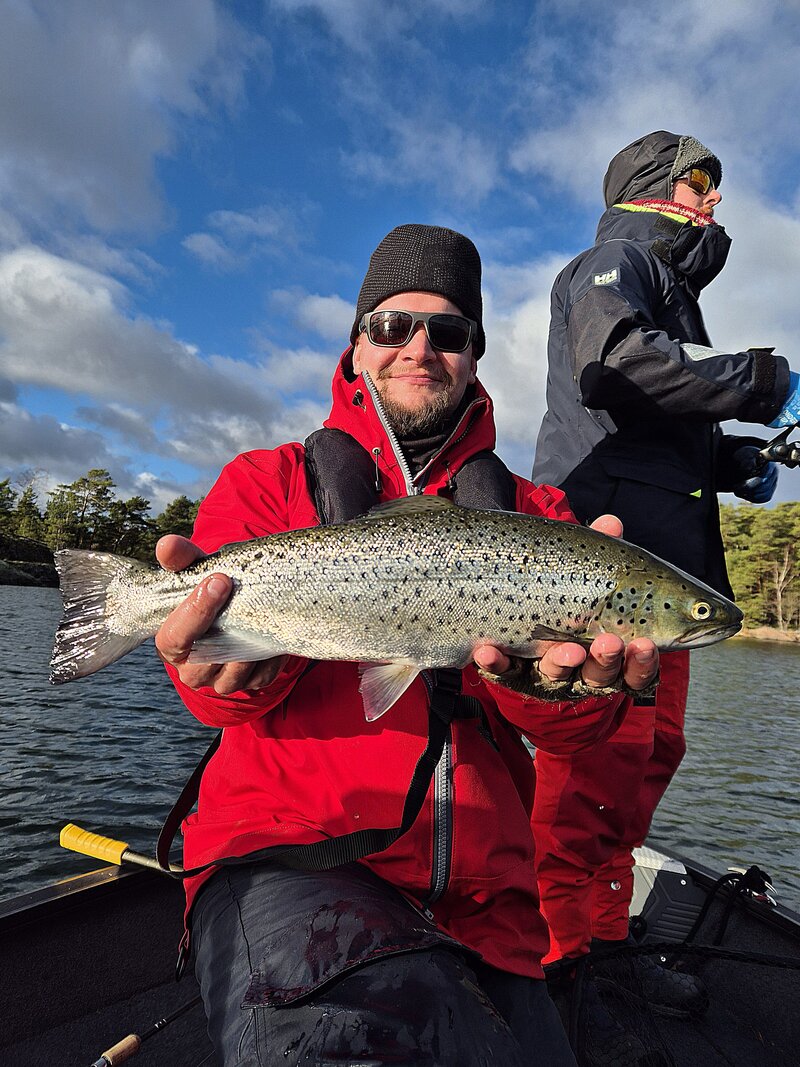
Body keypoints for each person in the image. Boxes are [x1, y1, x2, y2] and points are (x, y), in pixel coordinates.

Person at [153, 224, 660, 1067]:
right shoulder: (263, 482)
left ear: (474, 356)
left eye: (450, 331)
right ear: (355, 349)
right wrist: (219, 675)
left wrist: (572, 693)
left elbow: (569, 738)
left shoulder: (542, 519)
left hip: (492, 908)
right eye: (391, 326)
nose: (419, 347)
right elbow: (211, 692)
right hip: (289, 862)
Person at [532, 131, 797, 1007]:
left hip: (669, 587)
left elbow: (666, 416)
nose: (713, 201)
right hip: (599, 576)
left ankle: (604, 934)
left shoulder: (677, 298)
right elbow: (615, 363)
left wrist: (736, 465)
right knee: (589, 771)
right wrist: (765, 381)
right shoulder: (616, 260)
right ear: (653, 188)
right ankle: (555, 954)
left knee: (650, 757)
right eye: (697, 183)